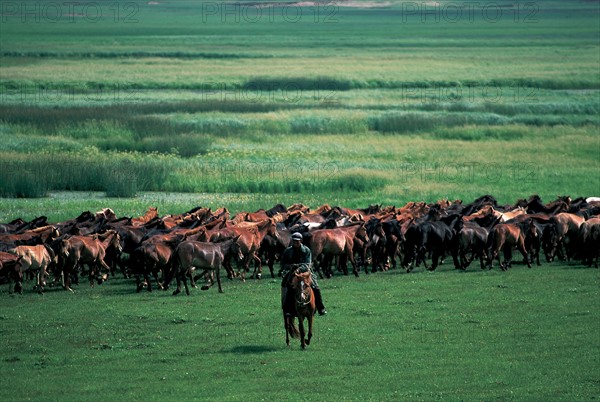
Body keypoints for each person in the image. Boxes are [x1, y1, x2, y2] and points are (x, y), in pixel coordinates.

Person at [280, 232, 327, 316]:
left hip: (305, 272)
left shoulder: (306, 250)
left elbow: (307, 264)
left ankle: (321, 307)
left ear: (301, 241)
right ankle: (287, 309)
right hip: (292, 272)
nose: (295, 243)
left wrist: (299, 269)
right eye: (294, 241)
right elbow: (283, 263)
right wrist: (290, 267)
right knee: (288, 286)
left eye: (297, 241)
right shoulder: (287, 251)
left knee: (315, 286)